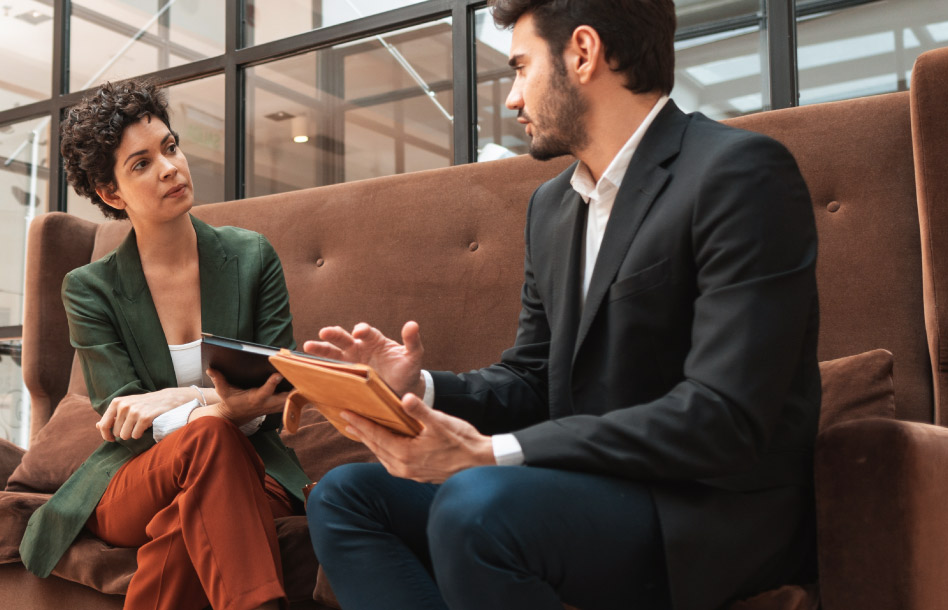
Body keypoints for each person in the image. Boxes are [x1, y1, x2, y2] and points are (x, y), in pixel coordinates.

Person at [302, 1, 820, 609]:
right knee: (345, 496)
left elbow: (722, 416)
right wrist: (420, 387)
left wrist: (490, 455)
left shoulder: (738, 173)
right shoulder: (551, 207)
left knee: (476, 507)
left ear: (582, 52)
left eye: (521, 68)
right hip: (583, 487)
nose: (512, 100)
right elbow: (530, 377)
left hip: (705, 508)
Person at [18, 78, 310, 610]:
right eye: (141, 164)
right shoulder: (89, 289)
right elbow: (126, 418)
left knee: (197, 497)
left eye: (169, 147)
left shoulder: (251, 258)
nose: (170, 168)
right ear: (112, 194)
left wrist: (183, 400)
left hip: (252, 472)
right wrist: (218, 406)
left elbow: (279, 387)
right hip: (135, 476)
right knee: (210, 438)